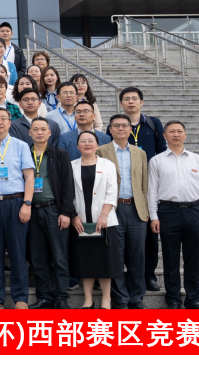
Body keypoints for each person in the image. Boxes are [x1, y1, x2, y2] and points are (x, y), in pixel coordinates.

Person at [149, 121, 199, 310]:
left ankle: (193, 299)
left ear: (185, 135)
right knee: (170, 257)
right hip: (167, 211)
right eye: (171, 131)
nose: (176, 134)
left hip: (194, 210)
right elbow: (152, 191)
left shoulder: (197, 160)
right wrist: (154, 216)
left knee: (193, 257)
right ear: (164, 136)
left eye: (179, 131)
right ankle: (173, 299)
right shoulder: (157, 161)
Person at [0, 108, 35, 309]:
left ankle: (20, 298)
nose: (0, 122)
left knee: (18, 252)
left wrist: (27, 204)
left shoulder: (21, 146)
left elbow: (29, 177)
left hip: (16, 202)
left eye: (4, 118)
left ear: (10, 123)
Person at [97, 114, 149, 309]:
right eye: (116, 125)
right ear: (110, 129)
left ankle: (136, 296)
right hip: (112, 208)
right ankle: (120, 298)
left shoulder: (139, 153)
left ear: (130, 129)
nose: (120, 128)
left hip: (136, 209)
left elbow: (144, 184)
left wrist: (146, 210)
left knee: (137, 254)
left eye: (124, 125)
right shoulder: (101, 151)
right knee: (115, 255)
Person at [119, 86, 167, 292]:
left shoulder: (153, 123)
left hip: (149, 185)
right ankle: (124, 274)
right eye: (126, 99)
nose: (131, 102)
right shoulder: (118, 125)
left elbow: (162, 150)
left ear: (141, 102)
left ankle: (149, 275)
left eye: (134, 98)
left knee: (150, 234)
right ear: (121, 103)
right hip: (125, 185)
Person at [26, 117, 75, 309]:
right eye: (35, 129)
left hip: (54, 210)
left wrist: (66, 212)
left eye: (43, 129)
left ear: (49, 133)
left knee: (60, 256)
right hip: (31, 211)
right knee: (38, 257)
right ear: (30, 132)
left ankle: (61, 297)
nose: (39, 132)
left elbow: (68, 184)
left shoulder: (60, 154)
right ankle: (44, 296)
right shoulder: (24, 153)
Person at [70, 131, 122, 310]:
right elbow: (67, 193)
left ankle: (106, 300)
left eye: (91, 140)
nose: (87, 144)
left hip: (104, 221)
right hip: (80, 222)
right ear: (77, 146)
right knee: (85, 260)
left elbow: (112, 191)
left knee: (104, 261)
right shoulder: (71, 166)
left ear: (97, 145)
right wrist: (73, 215)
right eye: (83, 141)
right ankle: (88, 300)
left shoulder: (108, 165)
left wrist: (104, 214)